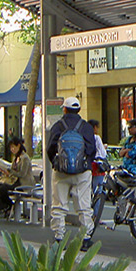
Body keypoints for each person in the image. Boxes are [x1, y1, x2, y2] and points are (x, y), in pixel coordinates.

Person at [44, 98, 99, 248]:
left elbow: (50, 148)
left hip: (61, 172)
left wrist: (57, 163)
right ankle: (85, 238)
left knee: (59, 205)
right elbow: (91, 149)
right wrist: (84, 163)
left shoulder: (58, 126)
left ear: (65, 109)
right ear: (79, 110)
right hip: (82, 172)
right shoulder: (86, 127)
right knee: (83, 205)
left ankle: (59, 238)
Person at [0, 135, 31, 216]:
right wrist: (6, 172)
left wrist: (10, 171)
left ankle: (9, 205)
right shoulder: (15, 157)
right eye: (11, 148)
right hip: (14, 180)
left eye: (13, 147)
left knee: (2, 189)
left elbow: (22, 174)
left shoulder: (25, 158)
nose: (12, 150)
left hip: (22, 182)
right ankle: (3, 207)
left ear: (19, 146)